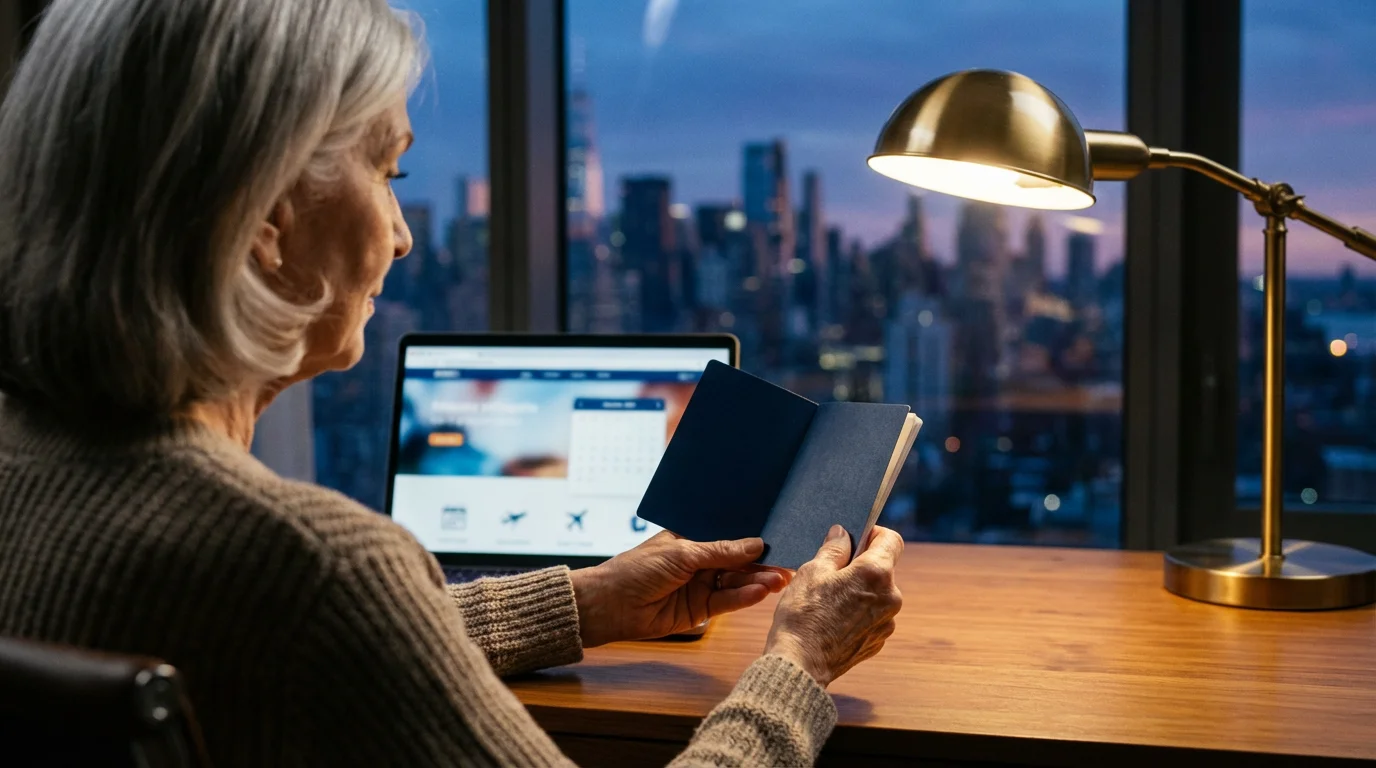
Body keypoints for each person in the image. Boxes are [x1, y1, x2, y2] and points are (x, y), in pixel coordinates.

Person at [0, 1, 905, 766]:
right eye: (387, 171)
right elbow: (316, 610)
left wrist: (584, 602)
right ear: (267, 215)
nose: (399, 235)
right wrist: (795, 667)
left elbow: (276, 644)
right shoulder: (316, 565)